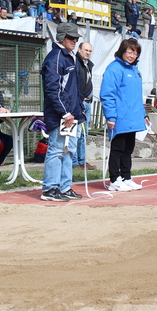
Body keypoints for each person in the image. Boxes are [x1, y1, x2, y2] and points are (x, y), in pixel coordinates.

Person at [40, 22, 85, 202]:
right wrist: (65, 113)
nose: (74, 41)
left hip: (72, 115)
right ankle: (50, 188)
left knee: (69, 151)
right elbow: (53, 89)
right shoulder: (55, 58)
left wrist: (77, 111)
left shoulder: (70, 56)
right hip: (61, 115)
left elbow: (73, 88)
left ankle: (64, 187)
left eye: (76, 38)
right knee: (56, 150)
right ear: (61, 38)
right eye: (71, 38)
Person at [101, 38, 150, 192]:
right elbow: (108, 94)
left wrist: (143, 114)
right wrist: (111, 116)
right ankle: (115, 179)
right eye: (129, 52)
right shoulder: (114, 69)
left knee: (128, 149)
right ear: (122, 51)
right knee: (118, 149)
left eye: (135, 53)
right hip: (120, 117)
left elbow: (137, 96)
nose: (132, 55)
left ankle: (126, 177)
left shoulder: (135, 71)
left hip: (133, 117)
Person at [74, 41, 96, 170]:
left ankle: (82, 160)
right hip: (80, 102)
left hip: (88, 102)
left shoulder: (88, 65)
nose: (88, 53)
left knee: (83, 133)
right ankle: (74, 162)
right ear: (79, 49)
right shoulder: (76, 63)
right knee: (77, 133)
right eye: (86, 50)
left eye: (90, 51)